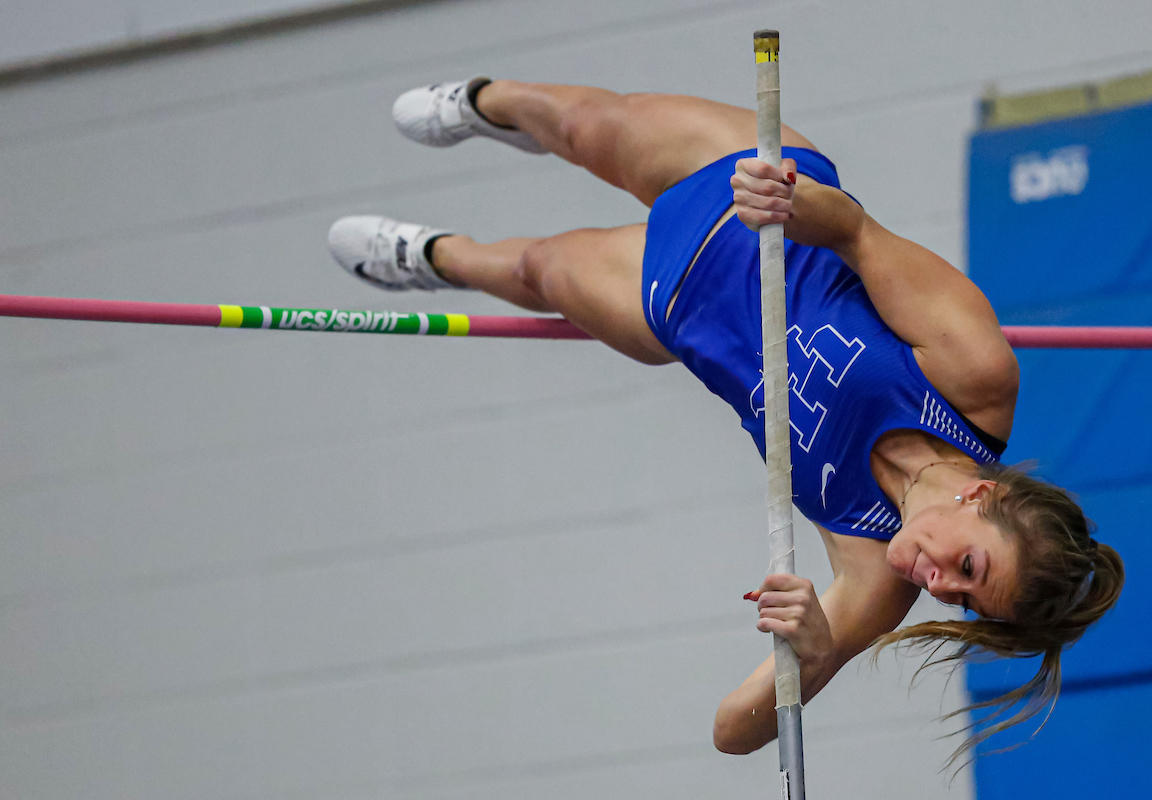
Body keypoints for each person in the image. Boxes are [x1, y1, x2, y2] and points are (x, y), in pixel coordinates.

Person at [327, 77, 1124, 760]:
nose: (937, 583)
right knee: (582, 124)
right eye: (969, 569)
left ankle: (432, 257)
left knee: (537, 268)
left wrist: (808, 660)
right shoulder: (974, 381)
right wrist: (798, 203)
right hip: (752, 201)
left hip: (680, 305)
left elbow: (731, 732)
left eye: (960, 600)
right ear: (985, 500)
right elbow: (854, 232)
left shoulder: (875, 575)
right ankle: (480, 100)